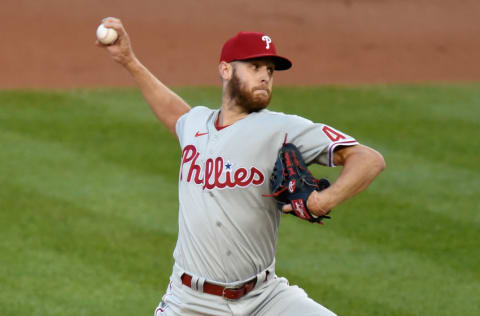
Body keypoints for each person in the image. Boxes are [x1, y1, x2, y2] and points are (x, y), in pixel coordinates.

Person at [97, 17, 386, 316]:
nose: (265, 77)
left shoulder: (282, 128)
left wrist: (323, 200)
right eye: (255, 67)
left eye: (270, 71)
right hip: (190, 302)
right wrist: (129, 61)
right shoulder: (195, 124)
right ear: (225, 69)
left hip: (265, 296)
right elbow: (175, 115)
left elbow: (368, 159)